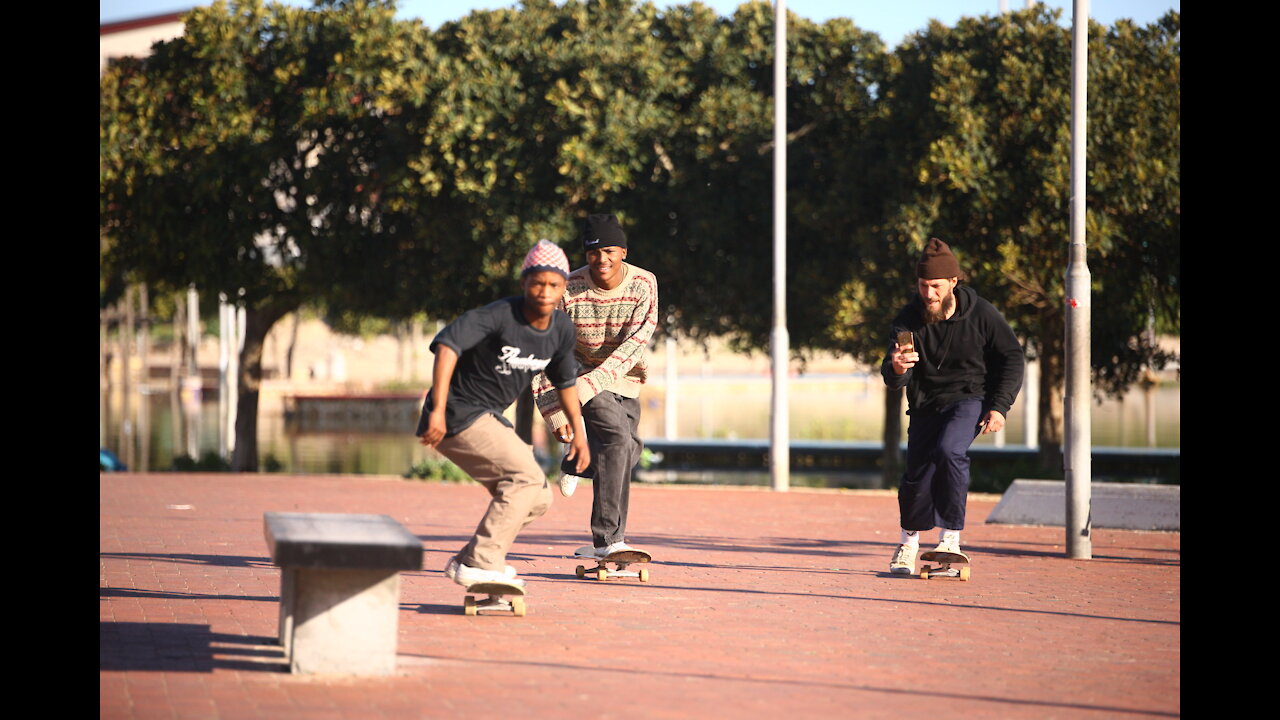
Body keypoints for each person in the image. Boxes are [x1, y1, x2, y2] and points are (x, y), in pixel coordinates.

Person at [417, 239, 591, 589]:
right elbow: (448, 346)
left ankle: (470, 559)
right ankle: (484, 563)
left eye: (553, 285)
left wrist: (580, 435)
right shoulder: (499, 315)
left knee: (538, 497)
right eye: (537, 282)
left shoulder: (560, 330)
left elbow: (566, 383)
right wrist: (436, 408)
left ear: (563, 289)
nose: (544, 291)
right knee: (525, 480)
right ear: (524, 282)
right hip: (457, 412)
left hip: (487, 416)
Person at [880, 238, 1024, 574]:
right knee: (917, 476)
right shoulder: (908, 321)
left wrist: (999, 406)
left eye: (935, 286)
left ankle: (950, 539)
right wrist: (898, 367)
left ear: (953, 283)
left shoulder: (982, 314)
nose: (928, 293)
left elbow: (1012, 358)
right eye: (922, 285)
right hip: (925, 404)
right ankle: (908, 543)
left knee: (949, 452)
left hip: (969, 399)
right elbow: (893, 375)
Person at [532, 214, 659, 560]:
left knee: (627, 453)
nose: (601, 260)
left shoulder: (644, 284)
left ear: (623, 251)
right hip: (576, 375)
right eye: (593, 253)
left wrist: (592, 384)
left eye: (609, 251)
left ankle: (580, 464)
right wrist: (554, 411)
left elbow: (635, 344)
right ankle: (608, 541)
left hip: (626, 376)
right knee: (616, 441)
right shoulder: (568, 289)